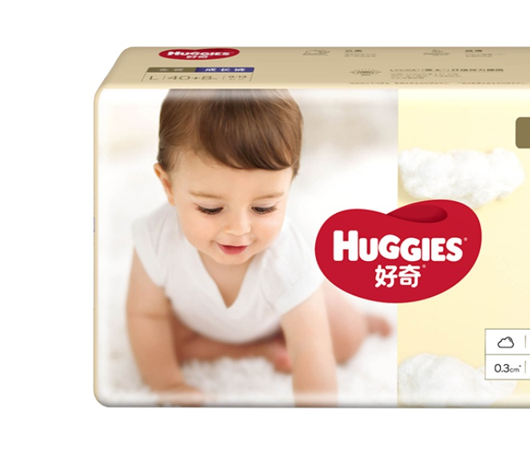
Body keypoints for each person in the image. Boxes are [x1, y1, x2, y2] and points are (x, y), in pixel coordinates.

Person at [126, 88, 389, 405]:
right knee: (156, 342)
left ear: (289, 183)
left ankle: (342, 310)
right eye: (210, 209)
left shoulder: (287, 258)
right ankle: (258, 349)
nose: (239, 229)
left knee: (344, 337)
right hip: (200, 320)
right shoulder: (155, 238)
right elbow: (146, 315)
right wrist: (168, 384)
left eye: (263, 208)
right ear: (168, 186)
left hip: (282, 309)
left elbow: (310, 348)